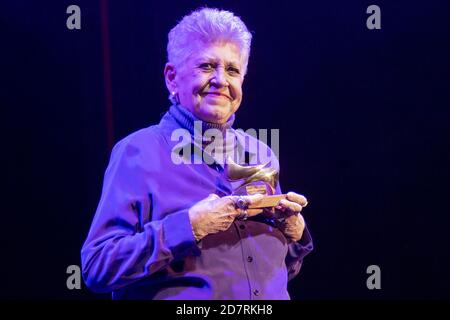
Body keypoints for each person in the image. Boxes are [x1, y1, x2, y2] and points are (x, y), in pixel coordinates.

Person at [81, 7, 313, 300]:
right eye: (206, 66)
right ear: (172, 78)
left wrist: (293, 232)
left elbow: (281, 270)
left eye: (232, 70)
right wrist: (189, 226)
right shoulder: (138, 152)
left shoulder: (260, 153)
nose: (221, 80)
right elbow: (97, 266)